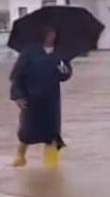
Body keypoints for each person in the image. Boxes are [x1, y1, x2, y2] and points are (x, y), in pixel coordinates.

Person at [9, 24, 72, 168]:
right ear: (42, 33)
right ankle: (20, 157)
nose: (52, 36)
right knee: (27, 131)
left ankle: (51, 168)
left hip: (51, 100)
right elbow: (16, 75)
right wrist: (18, 95)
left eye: (54, 33)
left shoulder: (60, 53)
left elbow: (65, 76)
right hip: (31, 98)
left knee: (52, 134)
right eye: (49, 33)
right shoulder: (29, 52)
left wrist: (64, 70)